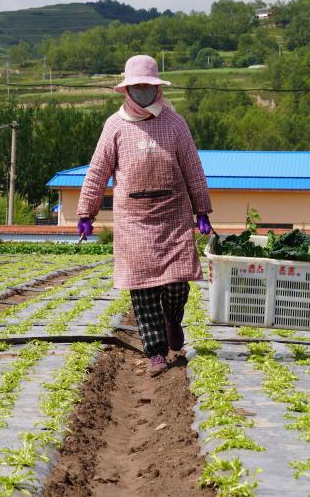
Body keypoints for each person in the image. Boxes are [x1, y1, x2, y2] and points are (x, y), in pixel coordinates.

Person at [77, 54, 213, 377]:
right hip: (134, 220)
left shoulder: (174, 123)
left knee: (178, 283)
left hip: (172, 215)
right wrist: (86, 212)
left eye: (147, 87)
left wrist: (202, 209)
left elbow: (193, 167)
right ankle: (155, 352)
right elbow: (97, 172)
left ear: (157, 89)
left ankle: (173, 320)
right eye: (136, 88)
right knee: (144, 291)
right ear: (126, 90)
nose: (142, 93)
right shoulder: (115, 126)